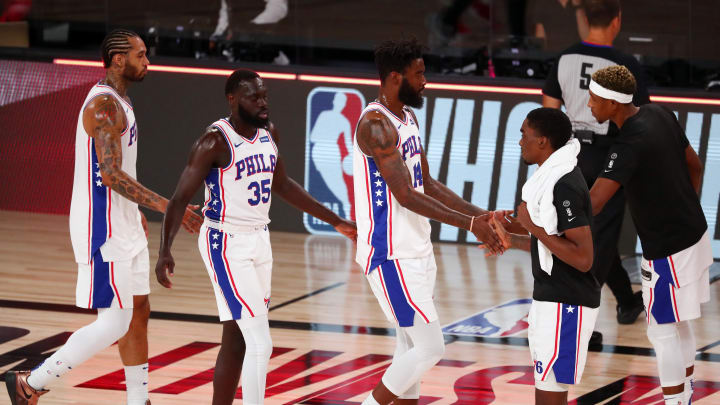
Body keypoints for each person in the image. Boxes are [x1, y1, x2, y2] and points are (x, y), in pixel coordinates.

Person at [4, 29, 203, 405]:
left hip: (123, 221)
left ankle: (137, 400)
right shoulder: (104, 106)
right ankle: (30, 382)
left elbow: (120, 170)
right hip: (102, 227)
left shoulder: (120, 102)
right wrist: (169, 207)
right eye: (141, 55)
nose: (148, 62)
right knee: (114, 322)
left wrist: (135, 211)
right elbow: (110, 175)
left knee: (139, 311)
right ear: (117, 60)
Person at [154, 68, 356, 405]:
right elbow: (178, 199)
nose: (263, 103)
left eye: (264, 96)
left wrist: (336, 221)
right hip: (225, 243)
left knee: (238, 339)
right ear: (233, 100)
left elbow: (284, 185)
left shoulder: (269, 132)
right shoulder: (214, 142)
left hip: (259, 240)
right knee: (262, 343)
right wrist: (165, 250)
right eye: (254, 97)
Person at [354, 38, 508, 405]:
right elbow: (405, 194)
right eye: (418, 74)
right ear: (395, 77)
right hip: (390, 254)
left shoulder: (407, 117)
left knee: (409, 348)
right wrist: (471, 226)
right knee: (430, 347)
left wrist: (480, 216)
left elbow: (428, 184)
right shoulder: (376, 125)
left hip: (417, 248)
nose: (426, 80)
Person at [587, 65, 711, 405]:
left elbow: (594, 203)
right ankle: (682, 396)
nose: (589, 105)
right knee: (677, 321)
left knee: (661, 330)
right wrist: (683, 205)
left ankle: (675, 401)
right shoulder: (661, 113)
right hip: (695, 233)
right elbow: (696, 165)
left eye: (594, 99)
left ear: (612, 104)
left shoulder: (627, 144)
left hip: (669, 248)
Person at [542, 0, 649, 341]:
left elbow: (549, 115)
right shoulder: (625, 65)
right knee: (598, 241)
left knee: (581, 236)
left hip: (570, 155)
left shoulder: (563, 59)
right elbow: (640, 120)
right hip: (608, 157)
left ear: (585, 18)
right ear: (617, 20)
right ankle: (580, 322)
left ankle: (627, 302)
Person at [489, 107, 598, 405]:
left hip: (568, 304)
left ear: (543, 141)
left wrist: (532, 228)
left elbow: (583, 257)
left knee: (550, 397)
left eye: (524, 134)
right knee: (547, 395)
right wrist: (513, 236)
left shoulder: (564, 185)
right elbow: (553, 243)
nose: (519, 141)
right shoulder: (549, 177)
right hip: (551, 300)